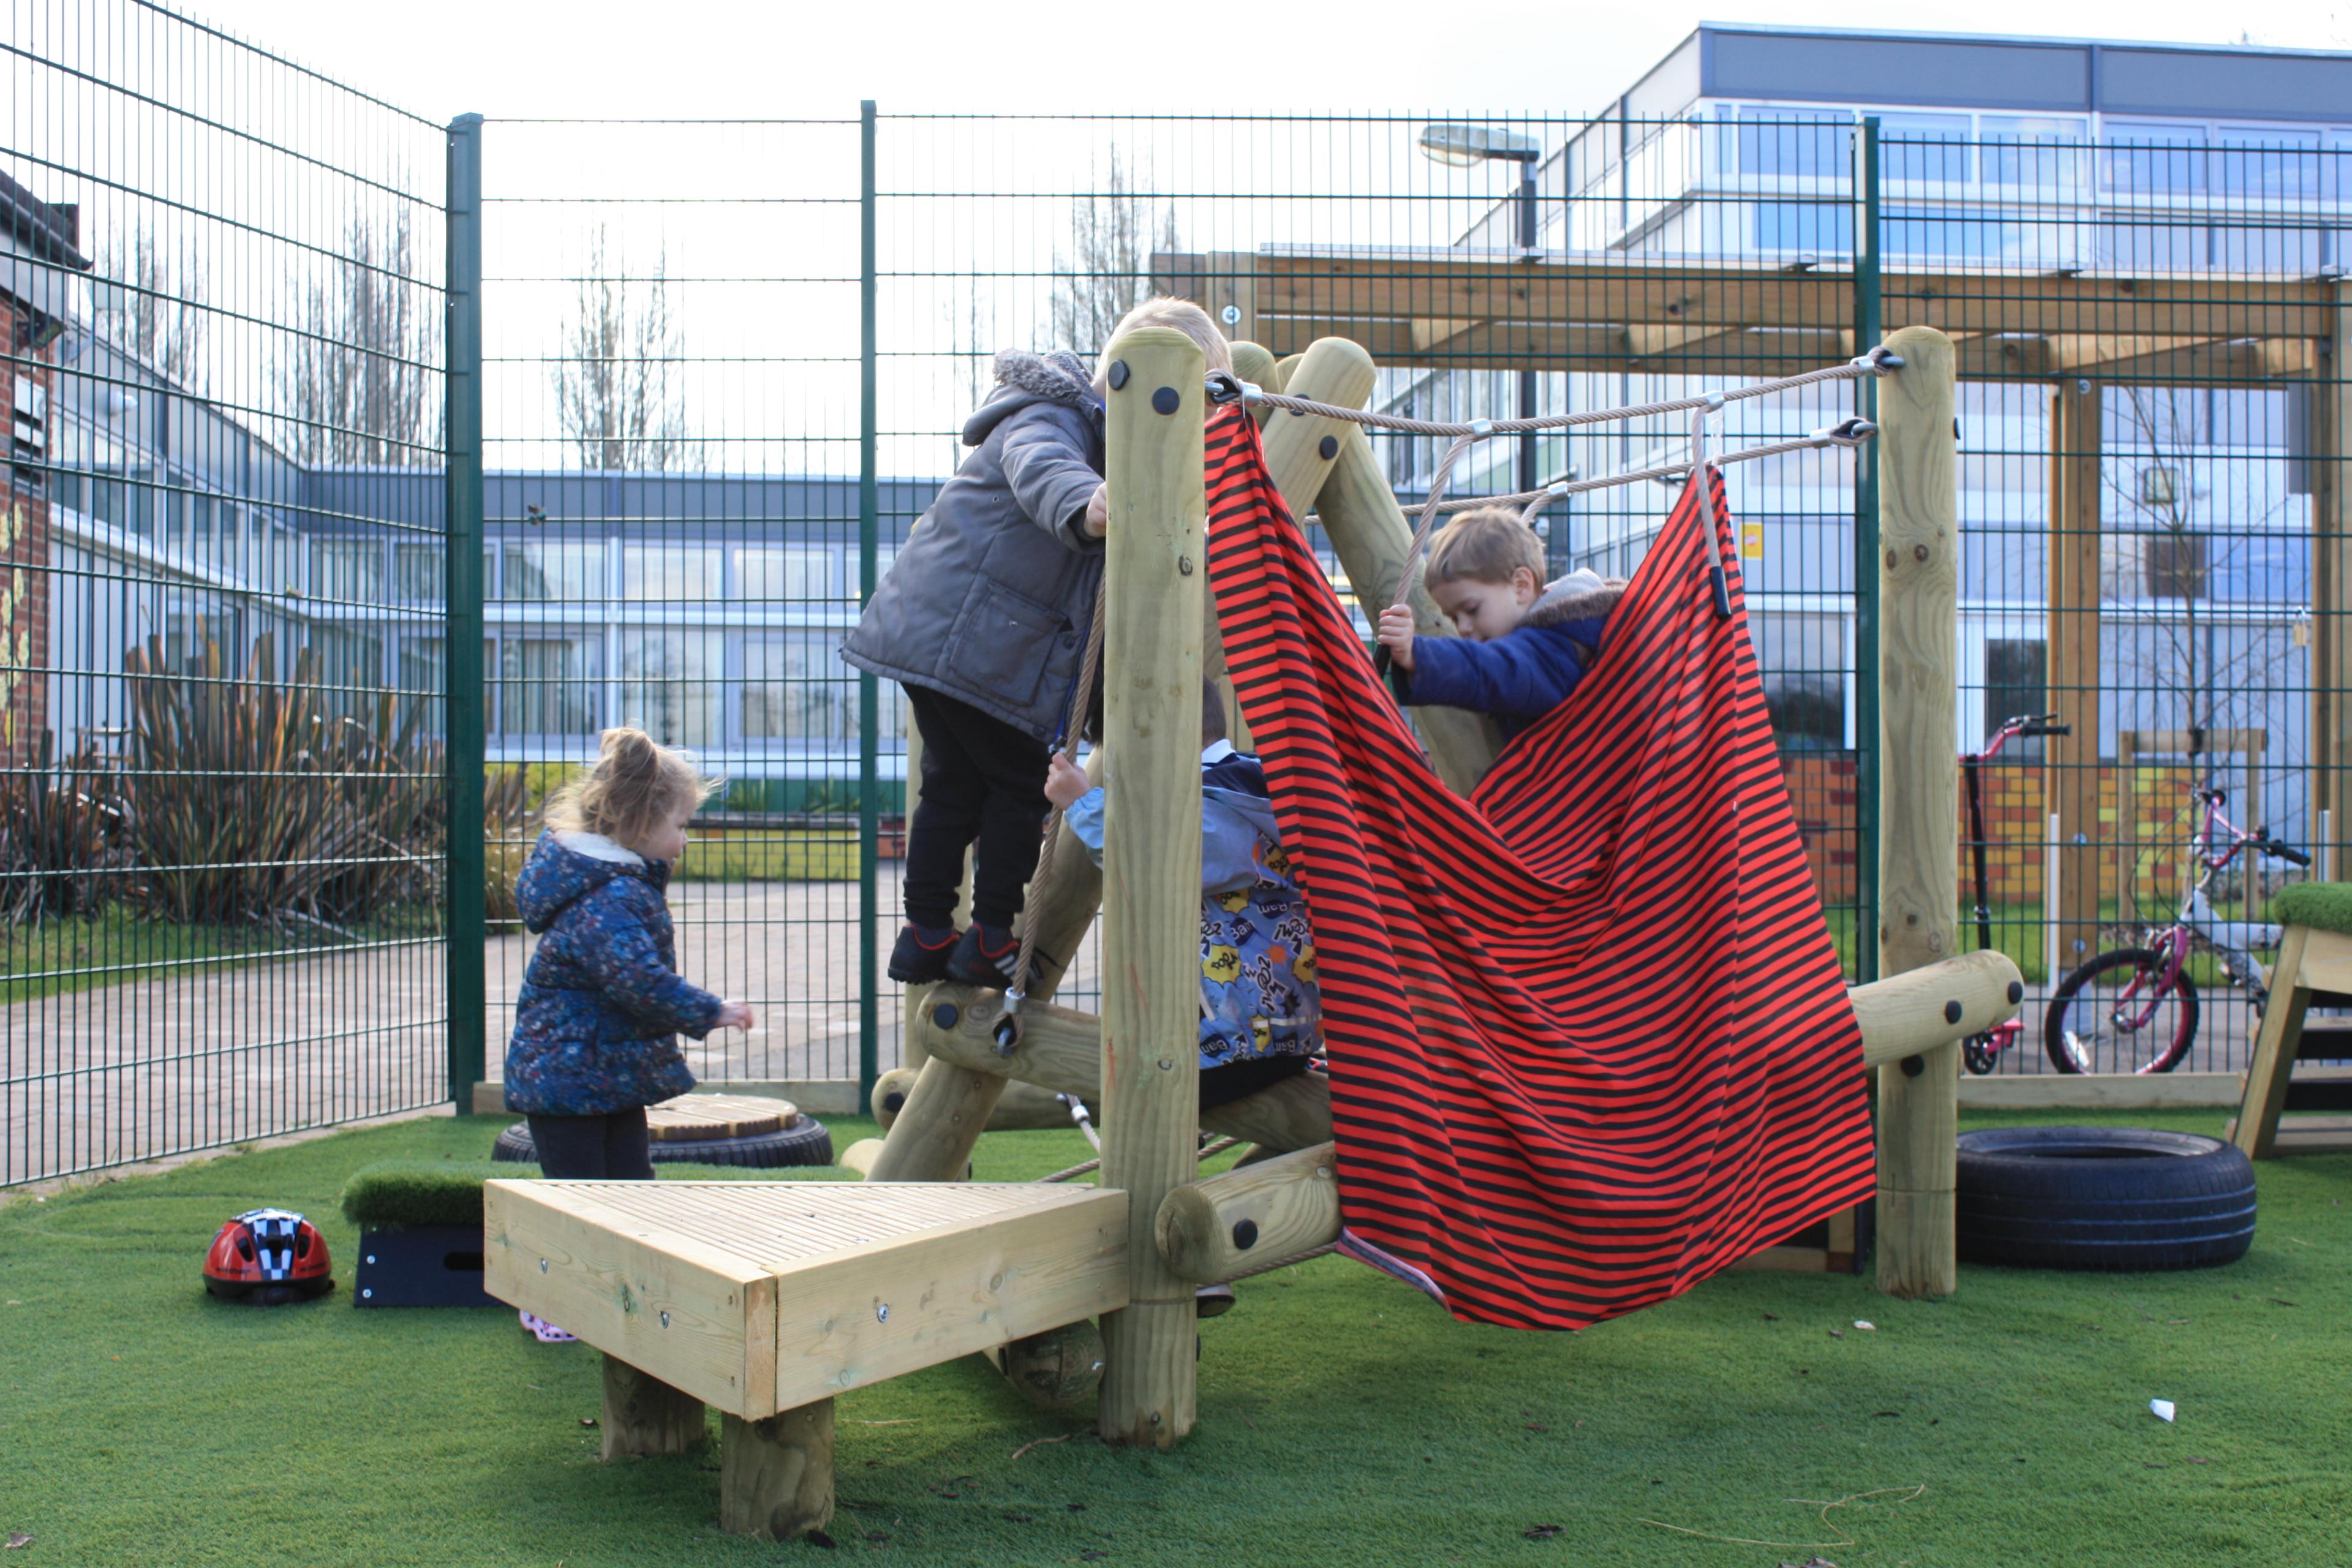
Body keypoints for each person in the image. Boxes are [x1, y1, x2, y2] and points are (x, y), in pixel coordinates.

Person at [844, 297, 1233, 990]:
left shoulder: (1086, 433)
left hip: (951, 640)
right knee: (1020, 790)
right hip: (983, 646)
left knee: (952, 788)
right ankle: (993, 935)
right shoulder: (1056, 418)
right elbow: (1040, 468)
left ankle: (927, 932)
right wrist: (1088, 503)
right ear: (1127, 387)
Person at [503, 726, 756, 1343]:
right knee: (582, 1194)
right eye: (680, 823)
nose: (685, 837)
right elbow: (637, 980)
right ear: (641, 823)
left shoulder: (611, 883)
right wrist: (710, 1010)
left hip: (602, 1071)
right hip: (566, 1075)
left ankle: (621, 1287)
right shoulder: (606, 897)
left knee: (629, 1183)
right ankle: (554, 1299)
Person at [1044, 682, 1322, 1110]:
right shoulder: (1253, 784)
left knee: (1123, 1088)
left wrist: (1082, 805)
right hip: (1277, 1029)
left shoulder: (1221, 802)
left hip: (1237, 1041)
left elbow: (1153, 864)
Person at [1374, 506, 1626, 741]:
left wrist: (1417, 654)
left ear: (1521, 586)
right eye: (1453, 618)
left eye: (1472, 609)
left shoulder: (1556, 645)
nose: (1462, 628)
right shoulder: (1568, 625)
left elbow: (1493, 669)